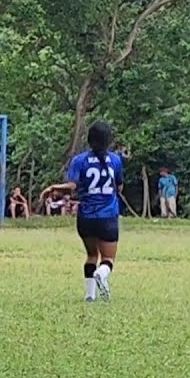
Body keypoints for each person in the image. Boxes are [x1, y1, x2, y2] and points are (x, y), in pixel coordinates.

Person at [45, 121, 124, 302]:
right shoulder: (115, 160)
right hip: (108, 216)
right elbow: (119, 186)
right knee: (108, 258)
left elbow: (71, 186)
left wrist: (55, 187)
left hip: (86, 216)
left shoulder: (79, 160)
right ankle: (101, 274)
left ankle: (90, 295)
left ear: (89, 140)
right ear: (108, 140)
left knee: (91, 255)